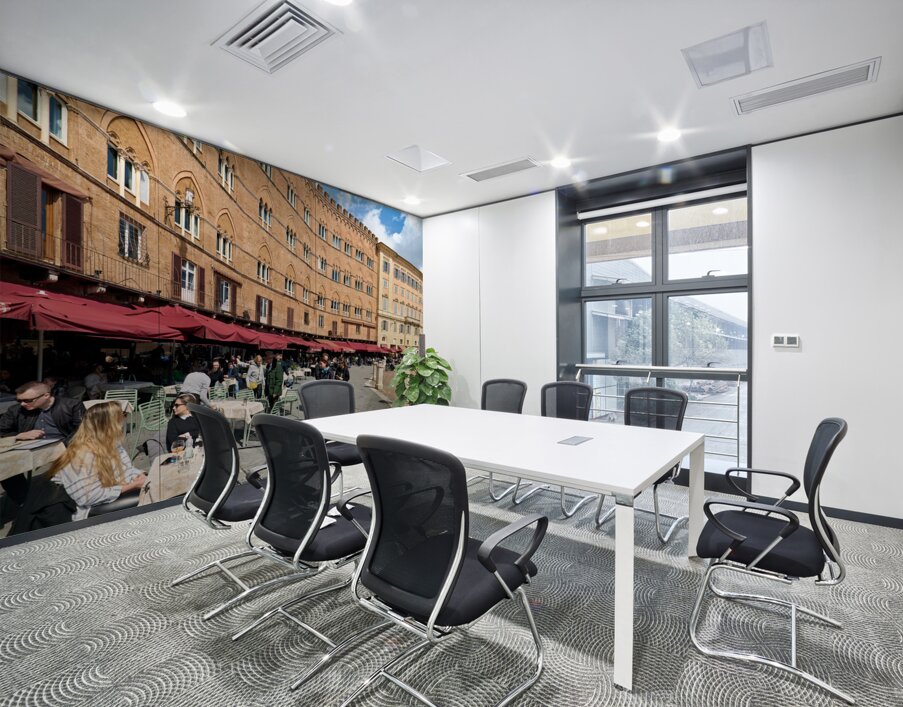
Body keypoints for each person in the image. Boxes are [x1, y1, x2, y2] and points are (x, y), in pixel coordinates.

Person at [48, 401, 147, 521]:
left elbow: (128, 470)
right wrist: (133, 485)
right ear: (107, 424)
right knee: (147, 498)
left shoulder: (113, 444)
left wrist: (141, 475)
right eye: (121, 416)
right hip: (87, 509)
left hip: (110, 494)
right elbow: (87, 497)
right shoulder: (80, 455)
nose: (124, 421)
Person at [0, 380, 86, 507]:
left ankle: (73, 497)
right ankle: (24, 501)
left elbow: (82, 430)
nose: (23, 404)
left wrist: (65, 444)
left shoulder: (71, 405)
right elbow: (2, 429)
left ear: (46, 395)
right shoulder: (17, 410)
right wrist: (18, 436)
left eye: (28, 400)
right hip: (29, 447)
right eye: (19, 400)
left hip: (64, 444)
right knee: (5, 466)